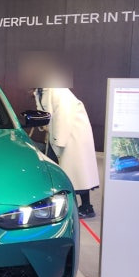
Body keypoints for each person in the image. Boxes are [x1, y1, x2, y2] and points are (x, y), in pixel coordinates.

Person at [34, 87, 99, 218]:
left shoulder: (58, 91)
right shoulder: (40, 91)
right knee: (73, 172)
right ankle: (82, 206)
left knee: (76, 172)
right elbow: (44, 113)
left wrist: (58, 141)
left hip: (72, 135)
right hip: (60, 135)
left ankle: (85, 207)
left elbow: (63, 117)